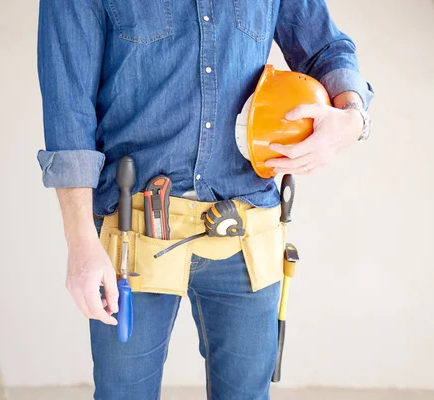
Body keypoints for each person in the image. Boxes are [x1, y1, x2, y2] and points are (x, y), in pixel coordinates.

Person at [36, 0, 374, 399]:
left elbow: (325, 48)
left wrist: (353, 118)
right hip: (133, 232)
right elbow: (68, 105)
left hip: (246, 231)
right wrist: (80, 243)